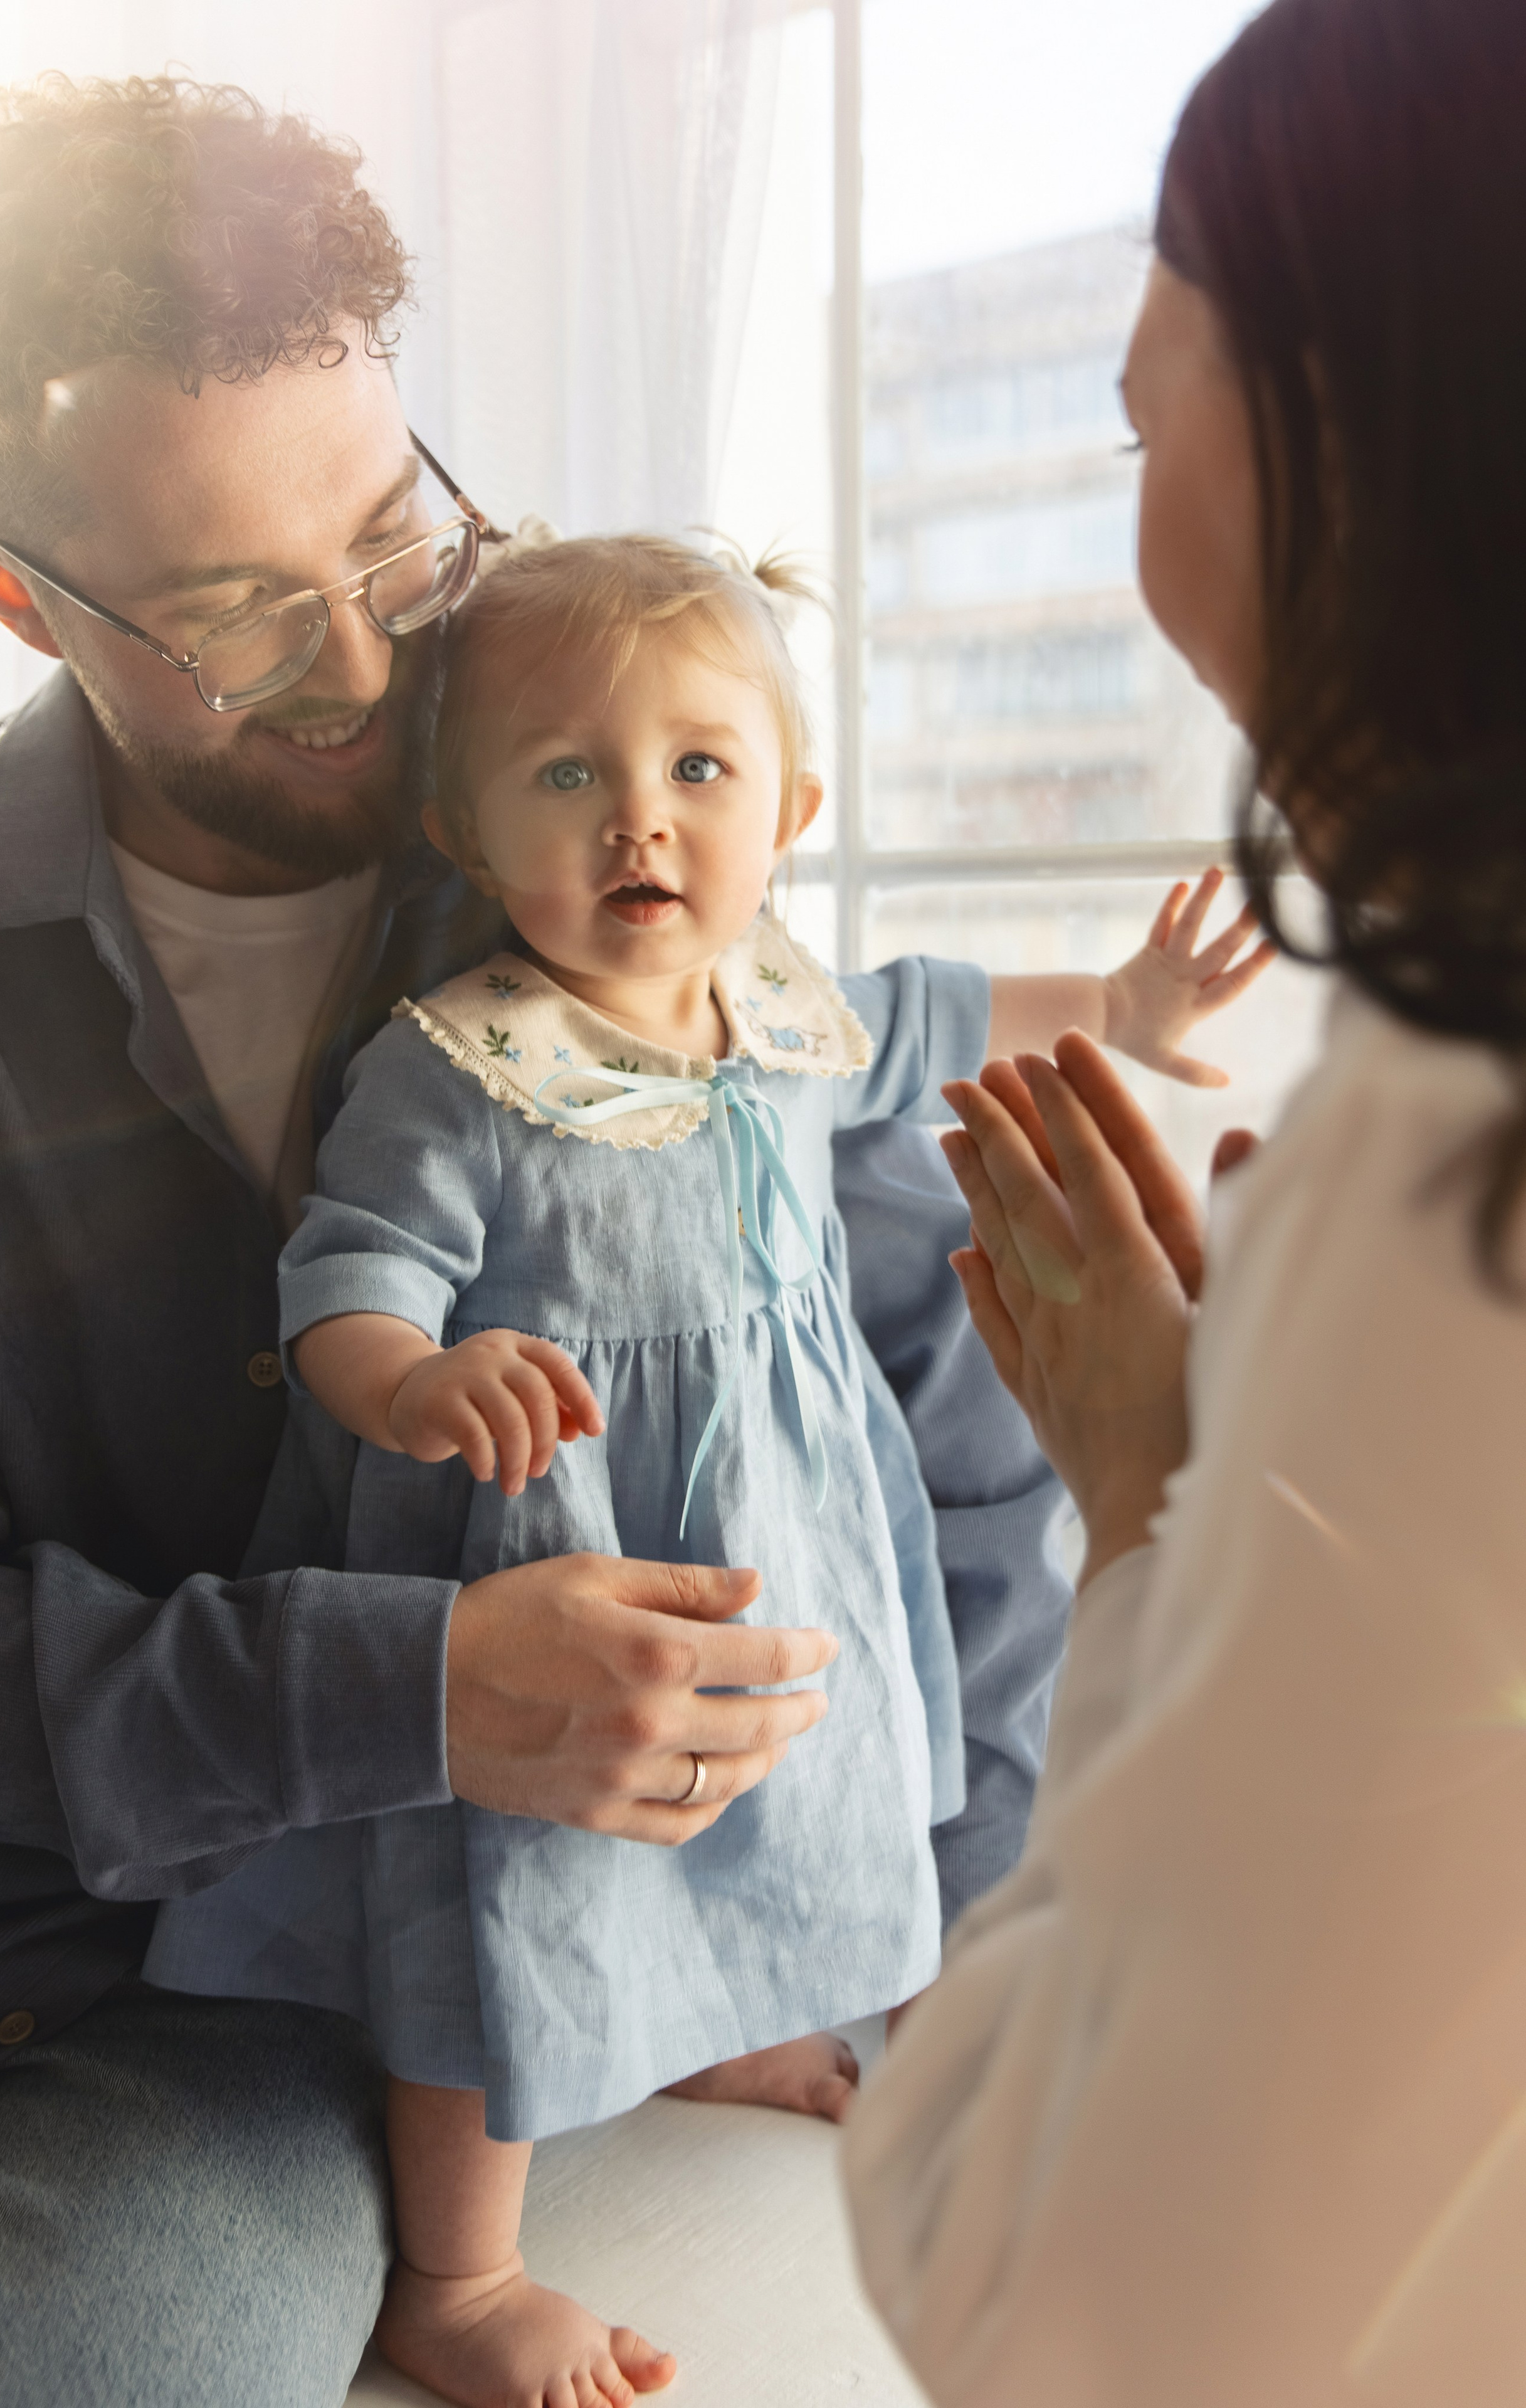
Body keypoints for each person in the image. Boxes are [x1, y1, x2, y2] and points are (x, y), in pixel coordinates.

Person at [0, 75, 1074, 2408]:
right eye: (243, 617)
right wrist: (412, 1690)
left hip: (308, 1983)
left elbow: (940, 1433)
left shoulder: (615, 814)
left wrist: (896, 1945)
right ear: (9, 592)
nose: (365, 673)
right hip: (56, 1911)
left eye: (396, 542)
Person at [145, 527, 1269, 2408]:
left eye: (698, 771)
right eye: (569, 777)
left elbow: (957, 1010)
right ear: (465, 826)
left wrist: (1131, 1015)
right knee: (505, 1901)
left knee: (786, 1822)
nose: (638, 826)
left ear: (793, 804)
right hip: (556, 1575)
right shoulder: (467, 1064)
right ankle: (465, 2271)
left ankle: (704, 2028)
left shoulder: (792, 1007)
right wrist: (418, 1383)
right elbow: (345, 1276)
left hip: (785, 1536)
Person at [843, 0, 1526, 2400]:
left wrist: (1161, 1492)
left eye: (1148, 417)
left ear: (1362, 418)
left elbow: (1059, 2285)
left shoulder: (1450, 1165)